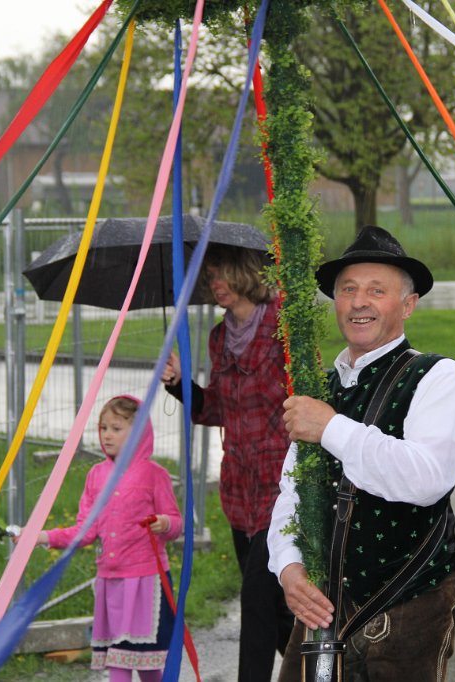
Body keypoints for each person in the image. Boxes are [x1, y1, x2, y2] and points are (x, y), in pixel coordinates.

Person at [268, 225, 455, 682]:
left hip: (409, 602)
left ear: (407, 305)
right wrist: (288, 567)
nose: (359, 301)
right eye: (348, 290)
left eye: (376, 290)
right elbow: (291, 491)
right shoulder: (321, 389)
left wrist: (330, 427)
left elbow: (425, 479)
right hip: (323, 605)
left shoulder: (439, 377)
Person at [161, 244, 293, 682]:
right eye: (209, 277)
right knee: (275, 606)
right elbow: (216, 408)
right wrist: (182, 386)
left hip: (281, 482)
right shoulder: (220, 337)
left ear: (243, 274)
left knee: (255, 597)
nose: (213, 284)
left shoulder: (283, 325)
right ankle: (329, 669)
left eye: (220, 275)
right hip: (240, 487)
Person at [33, 395, 182, 682]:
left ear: (138, 431)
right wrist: (42, 537)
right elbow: (84, 530)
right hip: (110, 584)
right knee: (119, 660)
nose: (107, 435)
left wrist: (164, 523)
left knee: (147, 664)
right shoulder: (96, 475)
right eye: (103, 428)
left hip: (145, 582)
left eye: (116, 428)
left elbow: (176, 524)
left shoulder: (154, 475)